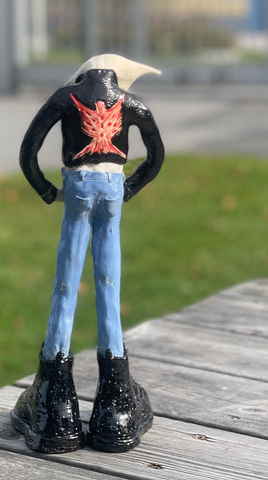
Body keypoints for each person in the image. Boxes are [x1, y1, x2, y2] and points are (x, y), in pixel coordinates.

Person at [11, 54, 165, 454]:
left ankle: (54, 402)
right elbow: (155, 157)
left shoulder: (64, 97)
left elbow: (28, 151)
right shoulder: (131, 103)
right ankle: (116, 402)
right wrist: (130, 188)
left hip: (77, 185)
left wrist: (48, 191)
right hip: (112, 185)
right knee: (108, 283)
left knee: (66, 282)